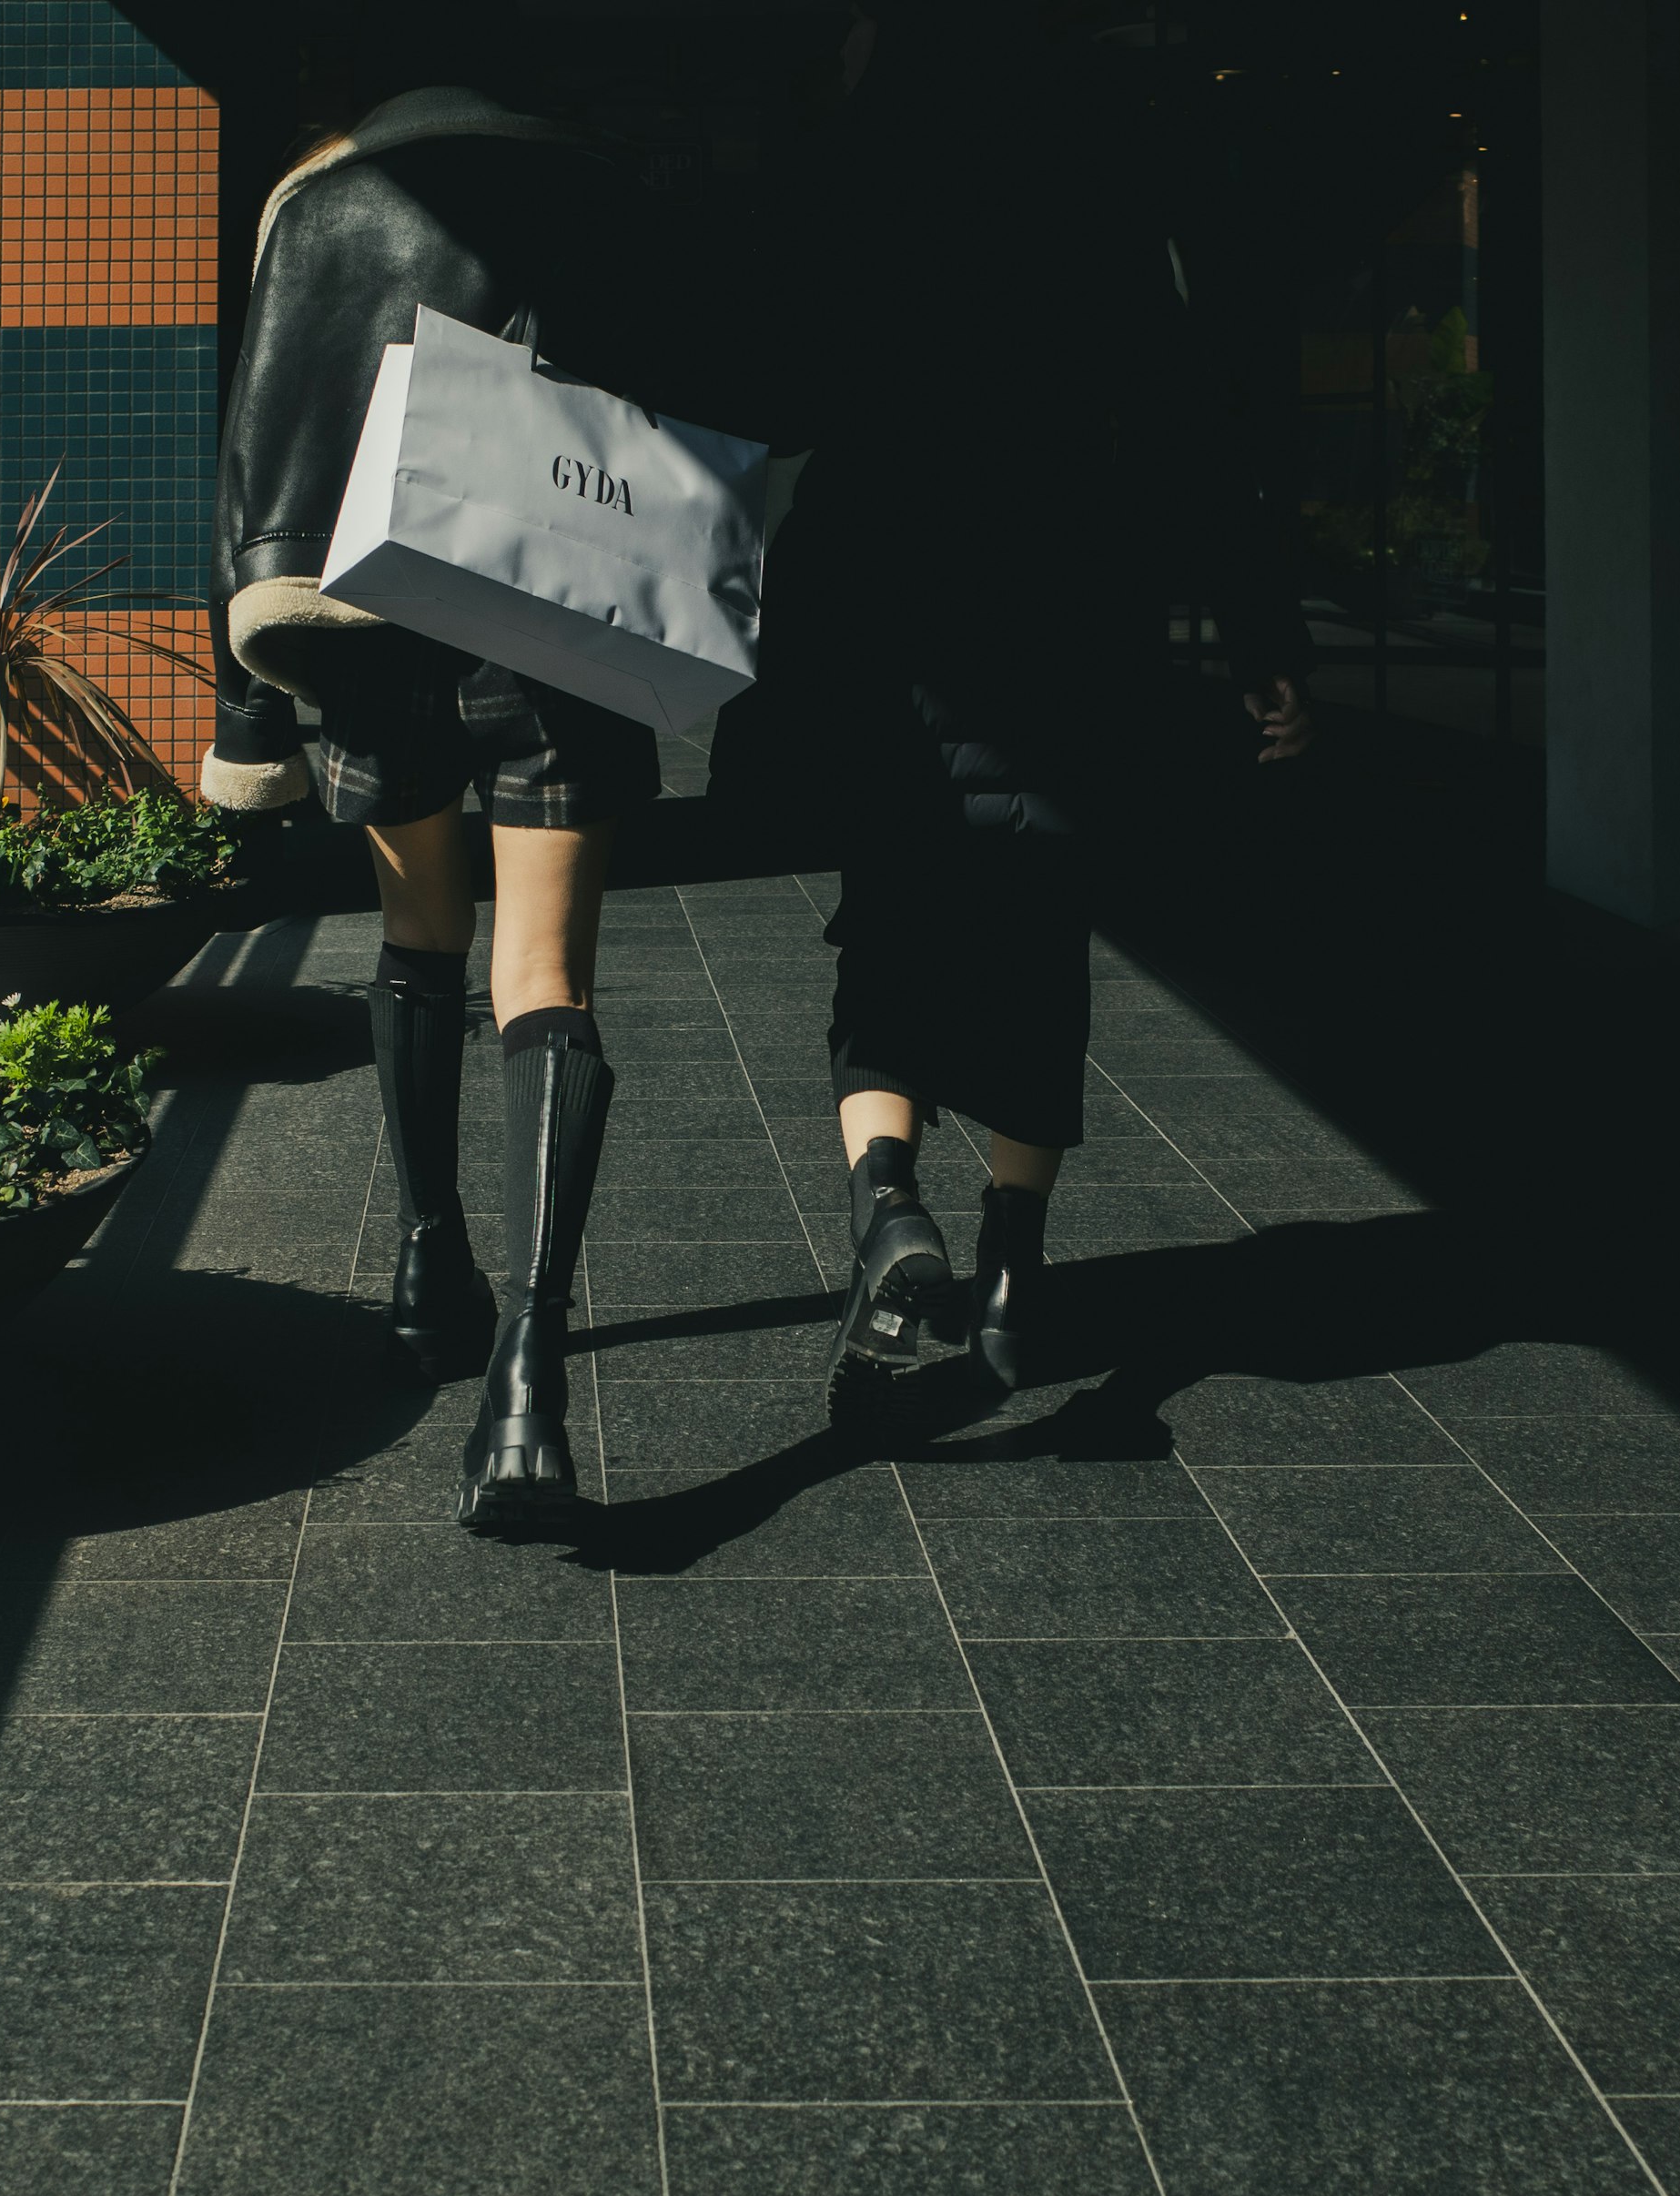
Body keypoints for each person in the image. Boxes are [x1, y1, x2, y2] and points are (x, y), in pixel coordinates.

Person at [717, 6, 1314, 1400]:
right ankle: (1013, 1277)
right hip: (1066, 619)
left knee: (892, 926)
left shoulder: (851, 191)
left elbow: (766, 391)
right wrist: (1258, 636)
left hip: (887, 622)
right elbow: (1189, 429)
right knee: (1041, 941)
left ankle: (887, 1210)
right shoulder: (1098, 199)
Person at [207, 48, 762, 1530]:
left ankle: (424, 1261)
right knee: (545, 977)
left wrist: (250, 704)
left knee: (418, 944)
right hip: (550, 630)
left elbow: (258, 455)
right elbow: (692, 421)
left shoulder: (321, 203)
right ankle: (532, 1368)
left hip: (367, 637)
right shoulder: (610, 197)